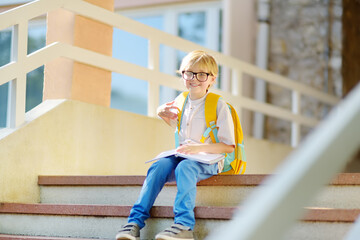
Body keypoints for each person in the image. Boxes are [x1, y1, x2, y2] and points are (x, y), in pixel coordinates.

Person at [115, 50, 235, 240]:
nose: (194, 79)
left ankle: (184, 225)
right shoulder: (181, 101)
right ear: (182, 75)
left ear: (212, 79)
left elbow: (229, 146)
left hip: (210, 159)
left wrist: (198, 149)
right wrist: (161, 113)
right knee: (158, 166)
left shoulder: (218, 104)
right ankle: (134, 222)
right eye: (189, 73)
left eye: (202, 74)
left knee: (185, 168)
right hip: (186, 155)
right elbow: (177, 128)